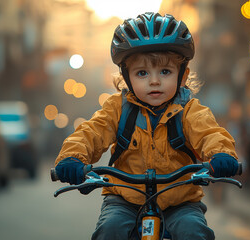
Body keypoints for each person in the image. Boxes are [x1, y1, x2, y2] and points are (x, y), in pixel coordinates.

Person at [54, 12, 238, 240]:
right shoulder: (117, 109)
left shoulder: (190, 111)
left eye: (165, 71)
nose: (154, 81)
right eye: (142, 73)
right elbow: (91, 132)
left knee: (194, 232)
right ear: (126, 76)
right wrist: (72, 158)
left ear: (182, 76)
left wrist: (221, 154)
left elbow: (210, 133)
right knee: (109, 230)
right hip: (125, 199)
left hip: (179, 202)